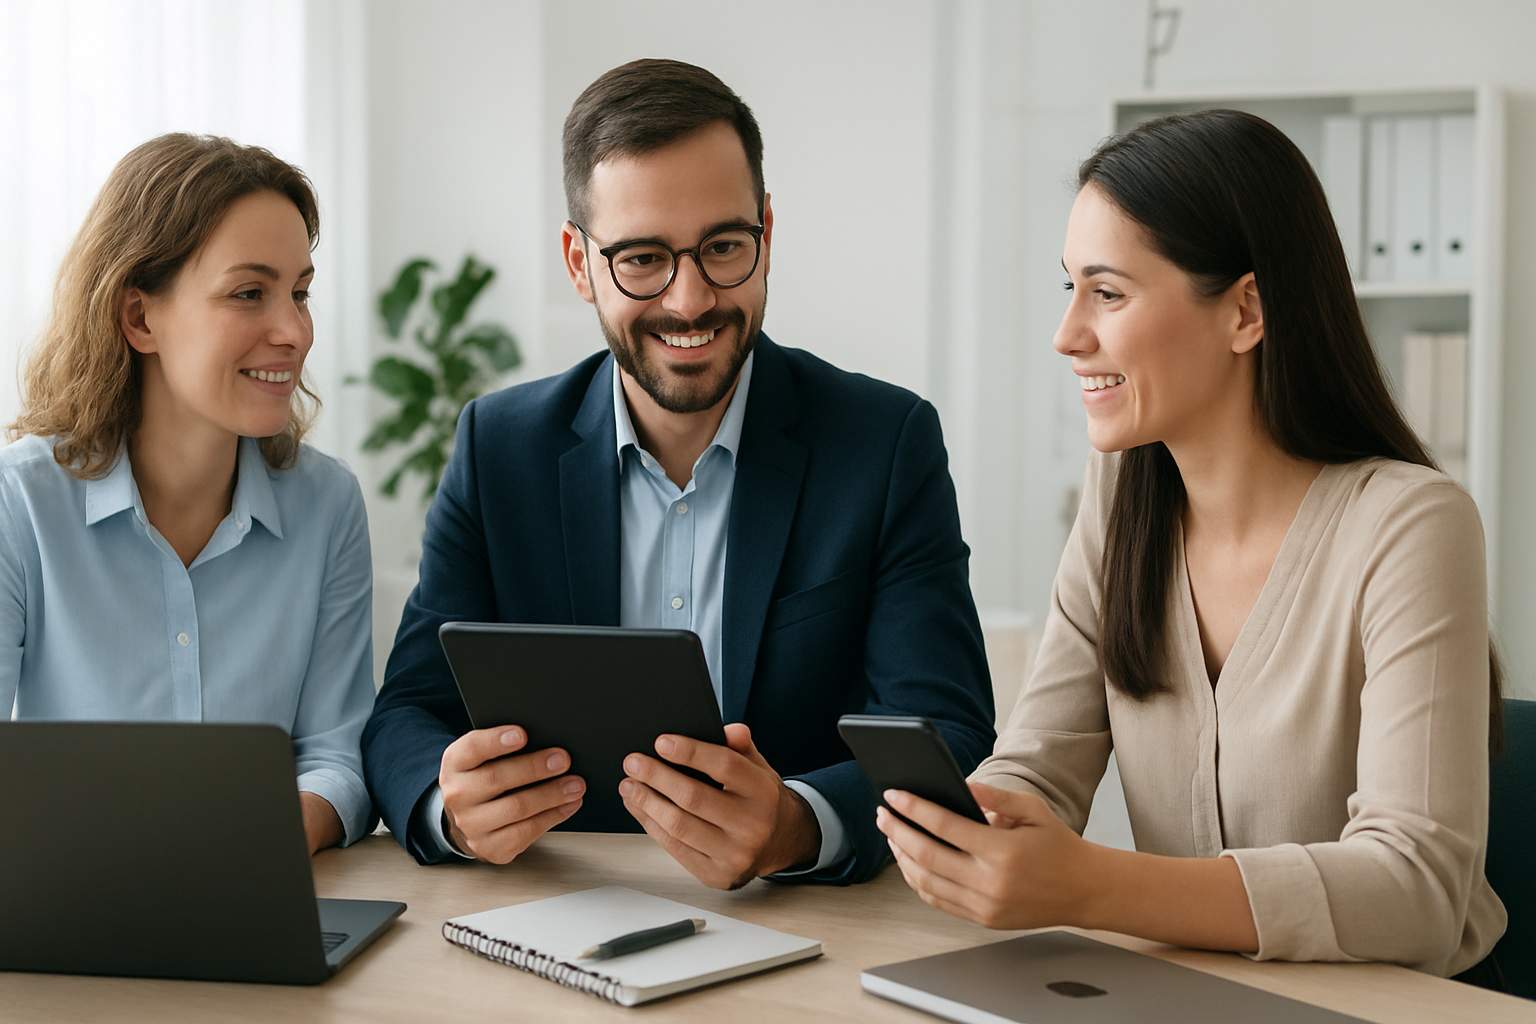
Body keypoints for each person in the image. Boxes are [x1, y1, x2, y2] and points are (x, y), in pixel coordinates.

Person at [878, 108, 1508, 983]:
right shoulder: (1123, 496)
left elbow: (1418, 888)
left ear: (1245, 310)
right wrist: (972, 824)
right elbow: (1041, 761)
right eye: (1068, 288)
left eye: (1108, 292)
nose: (1068, 334)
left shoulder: (1410, 524)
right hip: (1191, 996)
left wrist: (1089, 886)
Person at [362, 59, 995, 888]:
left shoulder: (885, 443)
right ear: (579, 262)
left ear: (767, 232)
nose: (691, 299)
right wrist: (454, 809)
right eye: (642, 259)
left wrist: (798, 826)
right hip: (560, 912)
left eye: (724, 246)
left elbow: (944, 728)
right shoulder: (497, 447)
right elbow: (406, 713)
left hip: (804, 932)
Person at [1, 134, 376, 855]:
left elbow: (336, 758)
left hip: (265, 893)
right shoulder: (19, 506)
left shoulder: (328, 506)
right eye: (249, 293)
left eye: (299, 293)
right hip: (75, 905)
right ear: (140, 318)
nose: (294, 330)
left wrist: (246, 849)